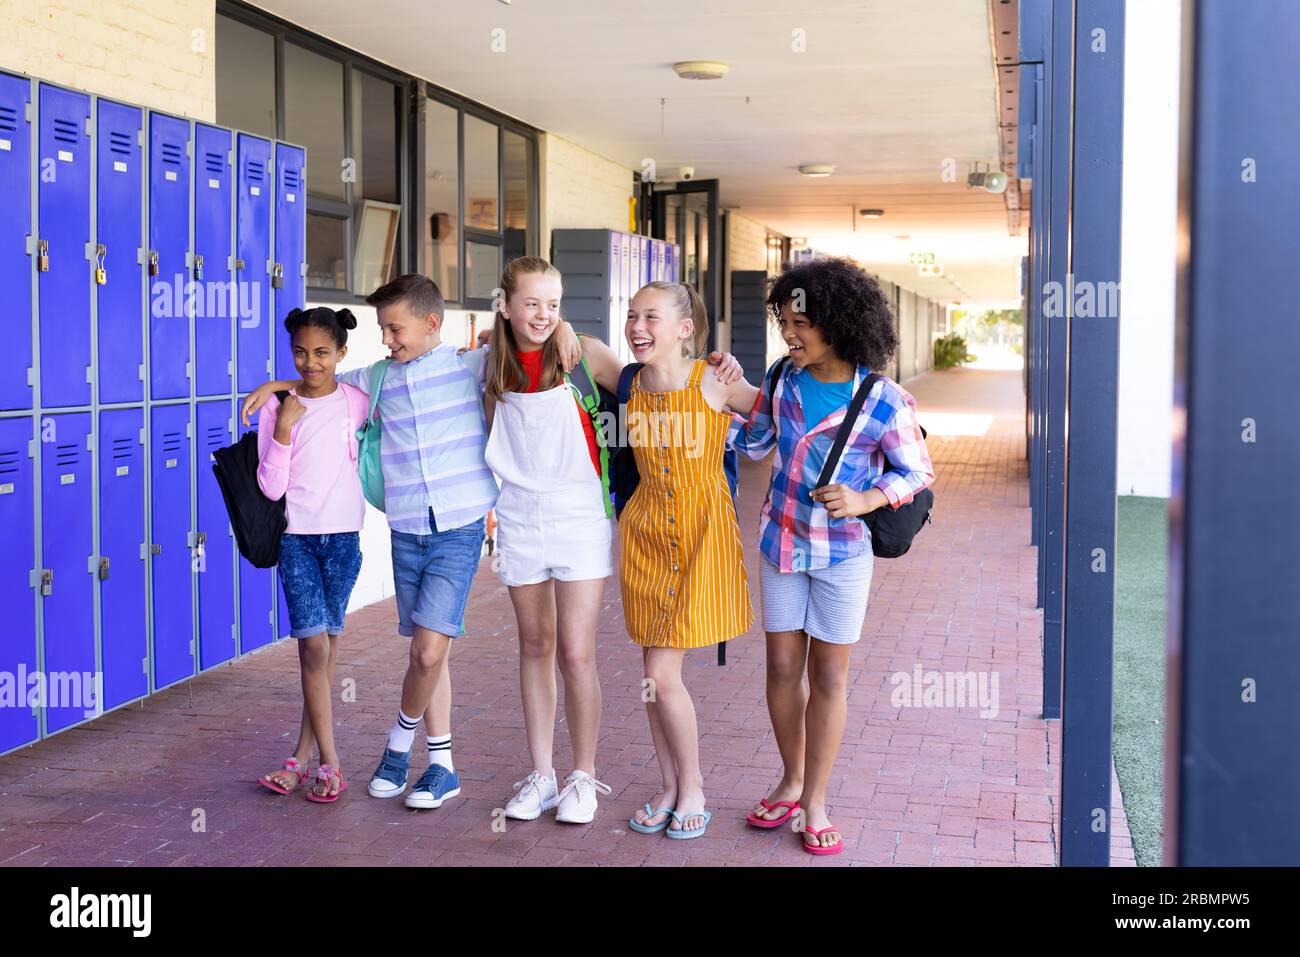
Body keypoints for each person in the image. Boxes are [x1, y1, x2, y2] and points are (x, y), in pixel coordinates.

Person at [242, 274, 581, 811]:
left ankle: (398, 746)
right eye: (382, 329)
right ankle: (442, 766)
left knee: (426, 651)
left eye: (395, 329)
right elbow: (321, 381)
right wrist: (275, 389)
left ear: (430, 324)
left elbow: (532, 344)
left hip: (460, 527)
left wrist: (561, 328)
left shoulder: (470, 367)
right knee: (431, 652)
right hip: (405, 529)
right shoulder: (375, 379)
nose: (388, 339)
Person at [735, 257, 935, 855]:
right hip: (781, 541)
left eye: (802, 324)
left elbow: (916, 471)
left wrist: (867, 495)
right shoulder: (781, 379)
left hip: (844, 554)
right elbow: (757, 442)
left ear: (840, 325)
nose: (790, 335)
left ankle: (816, 801)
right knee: (779, 668)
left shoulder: (883, 399)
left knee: (827, 676)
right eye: (785, 322)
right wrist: (723, 399)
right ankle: (791, 780)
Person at [619, 281, 758, 840]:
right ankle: (670, 785)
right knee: (651, 676)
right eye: (631, 316)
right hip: (646, 536)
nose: (636, 326)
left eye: (651, 316)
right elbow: (564, 334)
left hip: (702, 536)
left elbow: (786, 413)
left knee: (659, 673)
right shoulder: (625, 380)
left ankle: (693, 785)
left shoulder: (712, 381)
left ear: (684, 329)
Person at [254, 306, 368, 803]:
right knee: (314, 649)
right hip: (296, 539)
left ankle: (298, 760)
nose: (310, 362)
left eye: (322, 353)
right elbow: (269, 485)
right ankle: (332, 762)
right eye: (300, 352)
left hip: (344, 539)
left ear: (341, 353)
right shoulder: (276, 409)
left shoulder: (358, 401)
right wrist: (282, 425)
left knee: (318, 656)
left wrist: (278, 383)